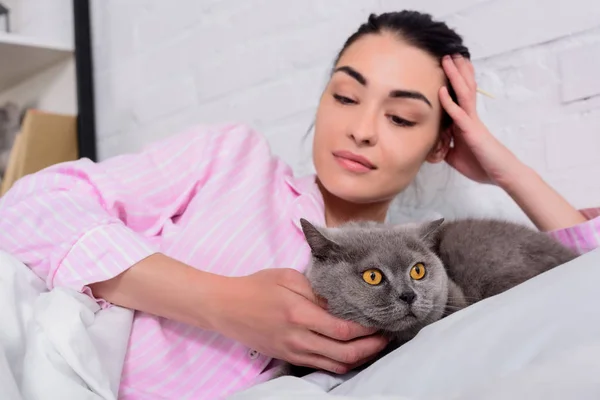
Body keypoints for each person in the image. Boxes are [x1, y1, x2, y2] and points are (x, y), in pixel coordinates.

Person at [0, 10, 598, 400]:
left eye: (400, 116)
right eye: (345, 95)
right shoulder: (230, 160)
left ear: (439, 142)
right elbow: (31, 208)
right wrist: (222, 302)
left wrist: (502, 166)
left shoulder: (419, 281)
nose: (363, 128)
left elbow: (581, 291)